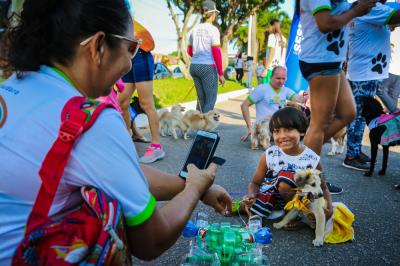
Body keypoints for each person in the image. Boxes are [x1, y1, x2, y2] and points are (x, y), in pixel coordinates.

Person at [0, 0, 232, 264]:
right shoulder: (90, 121)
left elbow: (119, 171)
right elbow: (152, 240)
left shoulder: (13, 87)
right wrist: (194, 189)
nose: (130, 66)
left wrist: (193, 186)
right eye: (131, 48)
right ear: (98, 46)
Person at [297, 0, 376, 164]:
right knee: (319, 124)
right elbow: (325, 23)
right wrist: (355, 12)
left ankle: (303, 157)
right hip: (321, 60)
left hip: (332, 61)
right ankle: (308, 179)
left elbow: (336, 13)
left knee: (348, 113)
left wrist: (355, 8)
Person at [243, 107, 333, 229]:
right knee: (246, 204)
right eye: (276, 131)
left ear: (301, 131)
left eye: (289, 130)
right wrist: (250, 195)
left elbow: (324, 188)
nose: (282, 136)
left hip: (296, 200)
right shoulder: (269, 154)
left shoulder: (312, 159)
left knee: (287, 178)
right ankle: (246, 208)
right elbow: (255, 182)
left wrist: (329, 209)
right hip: (269, 196)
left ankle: (294, 216)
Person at [344, 1, 400, 171]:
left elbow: (391, 22)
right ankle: (351, 155)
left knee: (361, 115)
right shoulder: (371, 7)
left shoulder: (363, 7)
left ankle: (355, 151)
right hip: (365, 73)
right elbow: (396, 17)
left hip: (364, 71)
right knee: (358, 115)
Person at [118, 20, 165, 164]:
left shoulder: (121, 10)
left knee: (146, 103)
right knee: (122, 103)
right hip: (126, 56)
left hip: (140, 55)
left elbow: (149, 42)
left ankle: (157, 147)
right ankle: (128, 138)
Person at [240, 66, 305, 142]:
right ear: (271, 77)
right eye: (278, 78)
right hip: (264, 129)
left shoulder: (285, 90)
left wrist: (307, 96)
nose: (281, 82)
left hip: (279, 130)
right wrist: (250, 128)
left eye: (283, 79)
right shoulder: (261, 89)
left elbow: (299, 99)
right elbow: (244, 105)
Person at [187, 0, 225, 113]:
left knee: (201, 99)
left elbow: (189, 51)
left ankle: (198, 126)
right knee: (210, 99)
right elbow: (216, 52)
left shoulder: (194, 29)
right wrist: (221, 74)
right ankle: (205, 129)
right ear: (213, 14)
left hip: (194, 66)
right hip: (208, 67)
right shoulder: (213, 30)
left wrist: (198, 57)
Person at [377, 26, 400, 113]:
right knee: (383, 92)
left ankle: (393, 112)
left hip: (391, 69)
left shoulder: (389, 28)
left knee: (381, 90)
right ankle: (394, 112)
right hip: (390, 69)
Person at [264, 19, 287, 83]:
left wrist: (266, 69)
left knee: (267, 91)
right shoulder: (284, 39)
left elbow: (272, 53)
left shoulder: (272, 36)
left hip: (271, 69)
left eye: (269, 26)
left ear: (273, 26)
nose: (268, 28)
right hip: (280, 70)